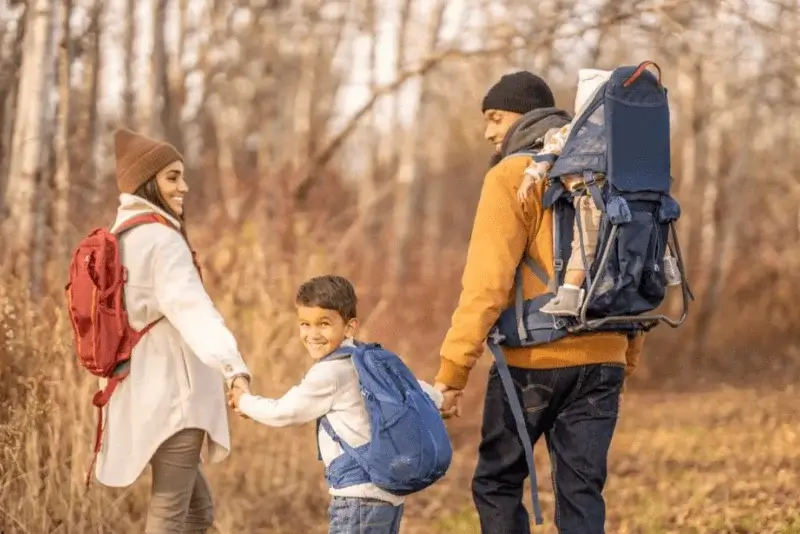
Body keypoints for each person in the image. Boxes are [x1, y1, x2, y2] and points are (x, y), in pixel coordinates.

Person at [432, 71, 645, 533]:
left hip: (533, 362)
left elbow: (486, 286)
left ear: (524, 116)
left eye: (495, 118)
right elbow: (626, 265)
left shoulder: (511, 176)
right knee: (582, 492)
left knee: (498, 484)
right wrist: (625, 353)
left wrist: (453, 373)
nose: (488, 131)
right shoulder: (602, 171)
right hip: (603, 355)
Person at [95, 128, 253, 534]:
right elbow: (195, 312)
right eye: (172, 177)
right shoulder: (161, 241)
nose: (184, 186)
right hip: (174, 404)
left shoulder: (122, 237)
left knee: (198, 515)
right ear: (148, 183)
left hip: (143, 399)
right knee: (167, 522)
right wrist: (234, 369)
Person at [228, 275, 444, 534]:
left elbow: (285, 412)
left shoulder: (329, 373)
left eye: (324, 324)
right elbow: (417, 390)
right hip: (385, 498)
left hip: (357, 500)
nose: (312, 334)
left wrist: (245, 401)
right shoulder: (368, 360)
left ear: (349, 326)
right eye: (305, 324)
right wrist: (444, 397)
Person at [518, 68, 681, 316]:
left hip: (593, 196)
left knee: (585, 246)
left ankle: (570, 294)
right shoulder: (627, 132)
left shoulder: (576, 132)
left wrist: (532, 176)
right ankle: (666, 266)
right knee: (651, 232)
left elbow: (549, 152)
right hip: (630, 197)